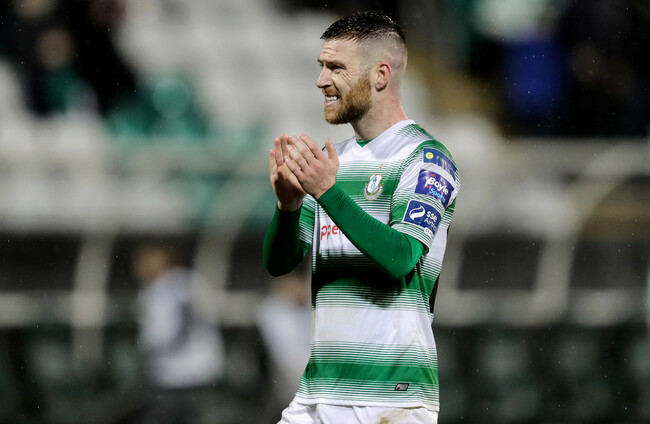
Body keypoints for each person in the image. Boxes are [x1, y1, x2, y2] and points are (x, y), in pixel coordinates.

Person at [262, 11, 461, 424]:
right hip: (318, 392)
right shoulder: (334, 162)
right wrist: (288, 207)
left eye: (336, 67)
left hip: (389, 397)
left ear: (380, 75)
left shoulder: (425, 159)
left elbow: (401, 257)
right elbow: (279, 264)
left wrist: (327, 192)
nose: (321, 80)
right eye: (321, 66)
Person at [133, 242, 225, 424]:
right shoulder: (192, 279)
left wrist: (141, 351)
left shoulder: (162, 288)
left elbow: (162, 334)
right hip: (203, 369)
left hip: (173, 374)